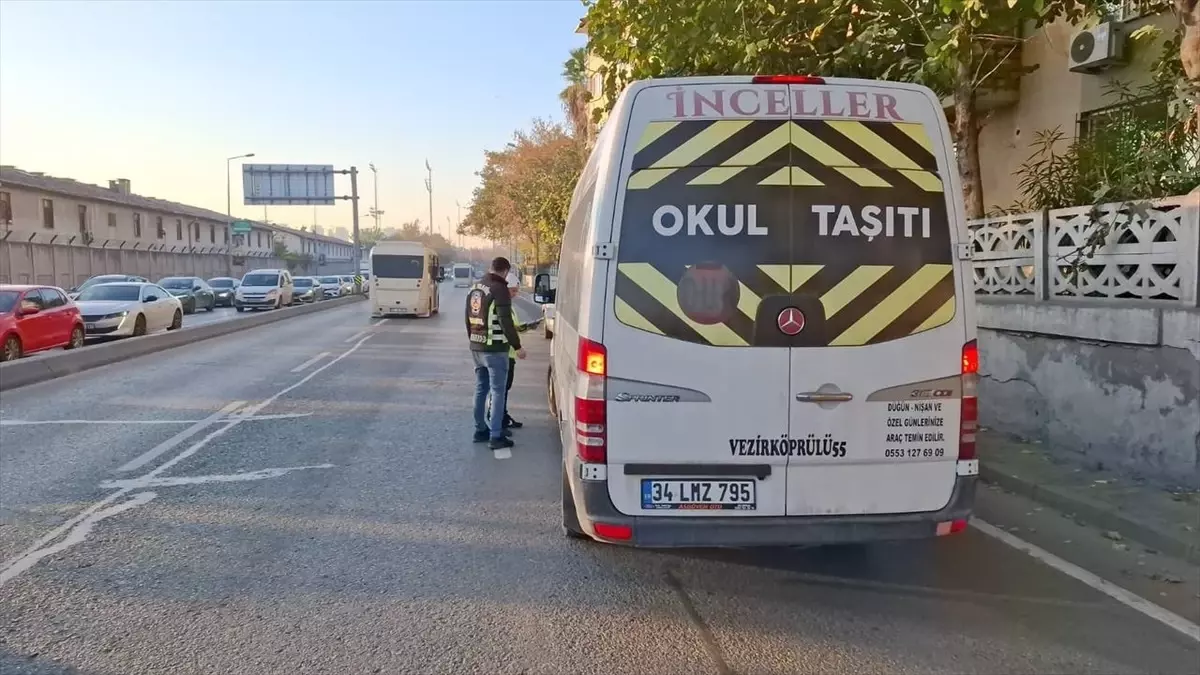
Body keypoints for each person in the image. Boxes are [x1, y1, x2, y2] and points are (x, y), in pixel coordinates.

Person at [465, 257, 525, 449]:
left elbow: (468, 318)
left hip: (477, 346)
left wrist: (473, 340)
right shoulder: (499, 289)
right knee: (498, 392)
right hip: (495, 348)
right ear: (506, 271)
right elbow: (505, 319)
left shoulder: (475, 287)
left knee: (481, 389)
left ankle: (480, 429)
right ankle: (496, 436)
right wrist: (517, 347)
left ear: (491, 267)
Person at [502, 272, 524, 430]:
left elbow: (514, 327)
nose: (515, 294)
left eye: (517, 291)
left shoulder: (509, 306)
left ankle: (502, 415)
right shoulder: (503, 306)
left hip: (508, 354)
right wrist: (518, 347)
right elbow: (507, 328)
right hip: (505, 354)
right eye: (513, 291)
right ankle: (499, 418)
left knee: (504, 389)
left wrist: (525, 327)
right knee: (501, 389)